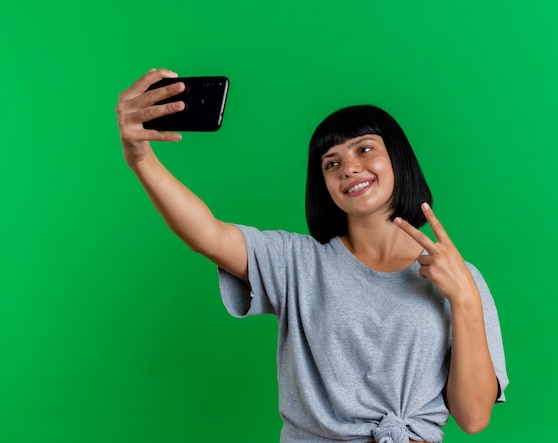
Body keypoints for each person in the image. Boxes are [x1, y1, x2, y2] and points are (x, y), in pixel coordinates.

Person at [116, 68, 508, 443]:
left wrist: (464, 298)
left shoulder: (458, 275)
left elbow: (473, 418)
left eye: (365, 149)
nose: (349, 168)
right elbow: (206, 233)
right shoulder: (296, 262)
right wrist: (141, 159)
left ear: (398, 159)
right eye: (331, 163)